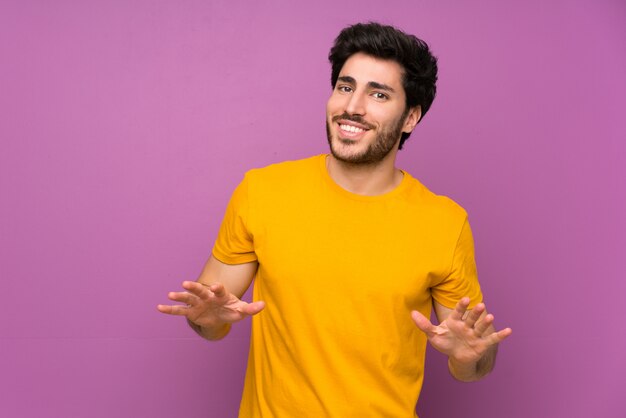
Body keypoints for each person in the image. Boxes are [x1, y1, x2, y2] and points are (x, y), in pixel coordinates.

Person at [158, 22, 512, 417]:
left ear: (410, 118)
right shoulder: (261, 191)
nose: (353, 107)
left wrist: (471, 357)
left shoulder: (446, 223)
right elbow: (212, 318)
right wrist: (206, 320)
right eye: (346, 87)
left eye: (378, 94)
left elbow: (474, 363)